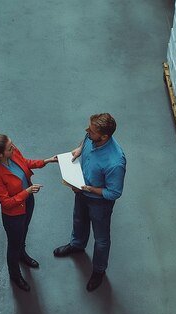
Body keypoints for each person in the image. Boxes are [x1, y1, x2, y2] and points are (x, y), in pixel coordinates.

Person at [53, 113, 126, 292]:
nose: (87, 132)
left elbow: (114, 192)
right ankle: (77, 244)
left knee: (101, 239)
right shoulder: (91, 137)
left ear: (104, 136)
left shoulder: (115, 162)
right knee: (79, 220)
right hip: (81, 192)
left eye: (91, 131)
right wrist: (79, 149)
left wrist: (89, 189)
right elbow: (85, 139)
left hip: (99, 203)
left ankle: (99, 270)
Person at [0, 134, 58, 292]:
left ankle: (22, 254)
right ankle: (15, 274)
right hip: (14, 215)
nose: (14, 148)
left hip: (27, 203)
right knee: (13, 244)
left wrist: (46, 161)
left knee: (23, 233)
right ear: (0, 154)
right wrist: (27, 192)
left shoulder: (13, 152)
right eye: (10, 148)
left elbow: (25, 163)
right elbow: (6, 203)